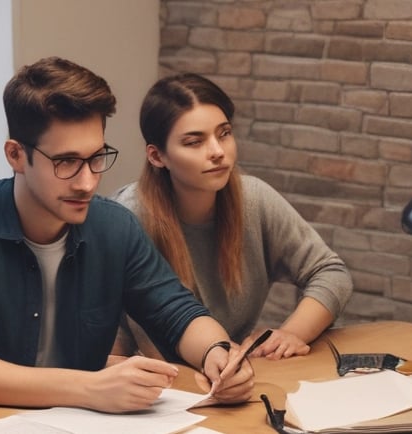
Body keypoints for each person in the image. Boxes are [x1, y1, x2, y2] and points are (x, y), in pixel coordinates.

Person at [0, 56, 254, 414]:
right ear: (16, 155)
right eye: (66, 161)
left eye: (96, 157)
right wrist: (90, 388)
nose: (87, 182)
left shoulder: (114, 227)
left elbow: (176, 312)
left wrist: (219, 354)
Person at [111, 73, 353, 362]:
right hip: (154, 378)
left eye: (224, 134)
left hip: (233, 371)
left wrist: (291, 333)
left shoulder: (254, 199)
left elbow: (330, 272)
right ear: (156, 156)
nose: (217, 152)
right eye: (194, 142)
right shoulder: (127, 217)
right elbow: (107, 333)